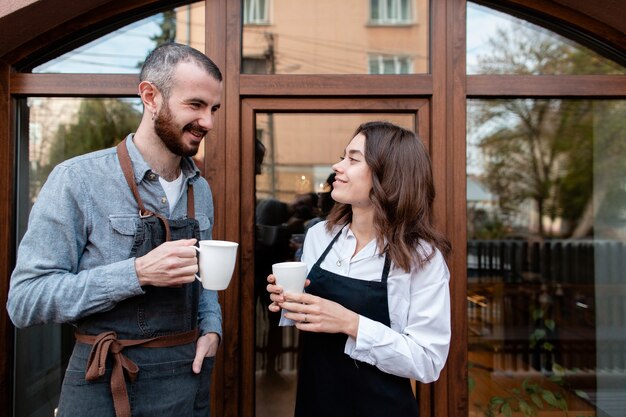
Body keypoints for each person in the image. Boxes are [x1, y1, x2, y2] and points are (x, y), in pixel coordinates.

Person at [7, 42, 223, 417]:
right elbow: (26, 301)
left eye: (213, 109)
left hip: (187, 381)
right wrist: (136, 273)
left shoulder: (199, 189)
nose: (209, 122)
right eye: (195, 105)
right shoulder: (78, 180)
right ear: (150, 96)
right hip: (103, 380)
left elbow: (203, 282)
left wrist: (211, 330)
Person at [267, 121, 452, 417]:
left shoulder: (422, 258)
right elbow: (309, 317)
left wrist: (352, 324)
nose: (337, 166)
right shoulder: (320, 236)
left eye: (352, 159)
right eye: (343, 157)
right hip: (315, 401)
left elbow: (428, 361)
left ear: (388, 175)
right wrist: (290, 301)